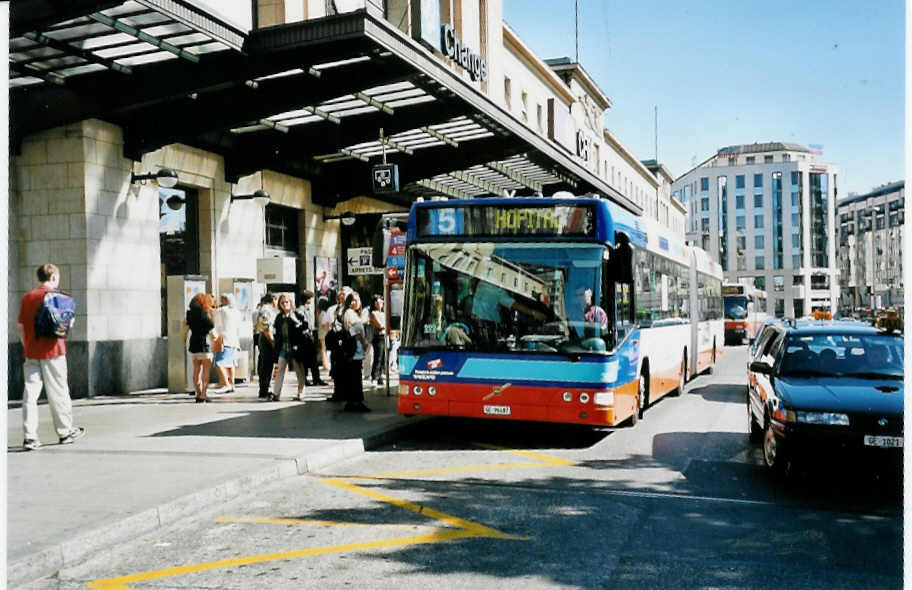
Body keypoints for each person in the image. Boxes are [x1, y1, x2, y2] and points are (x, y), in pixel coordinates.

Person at [17, 263, 86, 451]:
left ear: (39, 277)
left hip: (32, 353)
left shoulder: (28, 297)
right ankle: (65, 432)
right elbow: (68, 323)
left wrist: (28, 346)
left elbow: (20, 328)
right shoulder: (61, 298)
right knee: (59, 392)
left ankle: (30, 437)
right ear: (53, 277)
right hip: (54, 352)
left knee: (30, 395)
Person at [271, 294, 308, 401]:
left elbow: (305, 327)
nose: (285, 304)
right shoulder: (279, 317)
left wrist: (295, 320)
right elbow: (277, 333)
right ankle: (276, 393)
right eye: (282, 302)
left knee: (298, 369)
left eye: (286, 302)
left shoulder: (297, 314)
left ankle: (301, 392)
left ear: (291, 302)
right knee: (280, 368)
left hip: (295, 346)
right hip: (283, 347)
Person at [342, 293, 371, 412]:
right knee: (356, 377)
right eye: (353, 300)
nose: (355, 302)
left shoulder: (353, 313)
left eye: (357, 300)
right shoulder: (349, 313)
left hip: (356, 349)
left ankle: (352, 402)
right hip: (354, 349)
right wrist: (364, 342)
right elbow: (353, 331)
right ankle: (356, 402)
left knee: (354, 376)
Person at [185, 292, 216, 403]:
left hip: (194, 344)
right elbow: (211, 326)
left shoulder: (189, 314)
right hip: (204, 344)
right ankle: (203, 394)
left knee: (196, 370)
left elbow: (187, 326)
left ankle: (197, 393)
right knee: (206, 371)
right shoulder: (204, 313)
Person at [296, 290, 326, 387]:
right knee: (305, 360)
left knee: (313, 360)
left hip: (310, 337)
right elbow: (302, 324)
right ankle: (305, 379)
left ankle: (316, 378)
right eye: (310, 298)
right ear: (307, 299)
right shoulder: (300, 310)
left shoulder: (308, 309)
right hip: (303, 338)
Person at [213, 293, 242, 392]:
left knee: (219, 363)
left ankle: (226, 383)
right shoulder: (237, 312)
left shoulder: (222, 310)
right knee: (231, 364)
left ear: (224, 300)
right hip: (234, 340)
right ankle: (232, 384)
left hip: (224, 340)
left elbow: (216, 323)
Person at [255, 293, 277, 399]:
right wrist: (272, 341)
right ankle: (264, 390)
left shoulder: (263, 309)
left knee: (265, 365)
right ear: (273, 300)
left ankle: (264, 388)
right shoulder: (266, 310)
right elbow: (266, 327)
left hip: (263, 337)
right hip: (266, 338)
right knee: (266, 365)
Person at [368, 295, 387, 384]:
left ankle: (380, 376)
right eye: (379, 302)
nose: (381, 304)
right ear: (375, 303)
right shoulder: (373, 313)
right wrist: (384, 326)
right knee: (378, 357)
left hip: (384, 336)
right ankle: (374, 376)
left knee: (383, 357)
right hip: (378, 337)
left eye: (382, 302)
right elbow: (380, 325)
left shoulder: (383, 313)